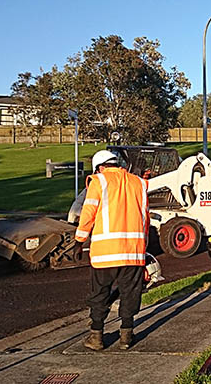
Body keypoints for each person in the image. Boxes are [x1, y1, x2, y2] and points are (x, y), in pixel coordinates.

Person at [74, 149, 149, 351]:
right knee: (130, 294)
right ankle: (126, 336)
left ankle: (96, 337)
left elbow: (88, 214)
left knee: (99, 294)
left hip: (105, 253)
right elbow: (145, 218)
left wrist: (79, 241)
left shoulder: (99, 182)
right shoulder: (140, 183)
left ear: (100, 167)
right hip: (133, 251)